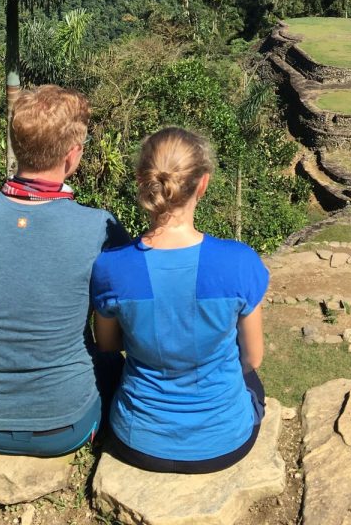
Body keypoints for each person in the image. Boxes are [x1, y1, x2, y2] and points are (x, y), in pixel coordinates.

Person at [0, 85, 128, 457]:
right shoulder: (99, 227)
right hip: (65, 427)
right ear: (72, 156)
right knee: (109, 360)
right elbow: (118, 331)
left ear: (17, 146)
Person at [91, 127, 268, 474]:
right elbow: (253, 358)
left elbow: (108, 345)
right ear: (202, 184)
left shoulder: (111, 266)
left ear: (143, 181)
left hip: (137, 441)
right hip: (224, 443)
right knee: (252, 382)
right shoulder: (239, 261)